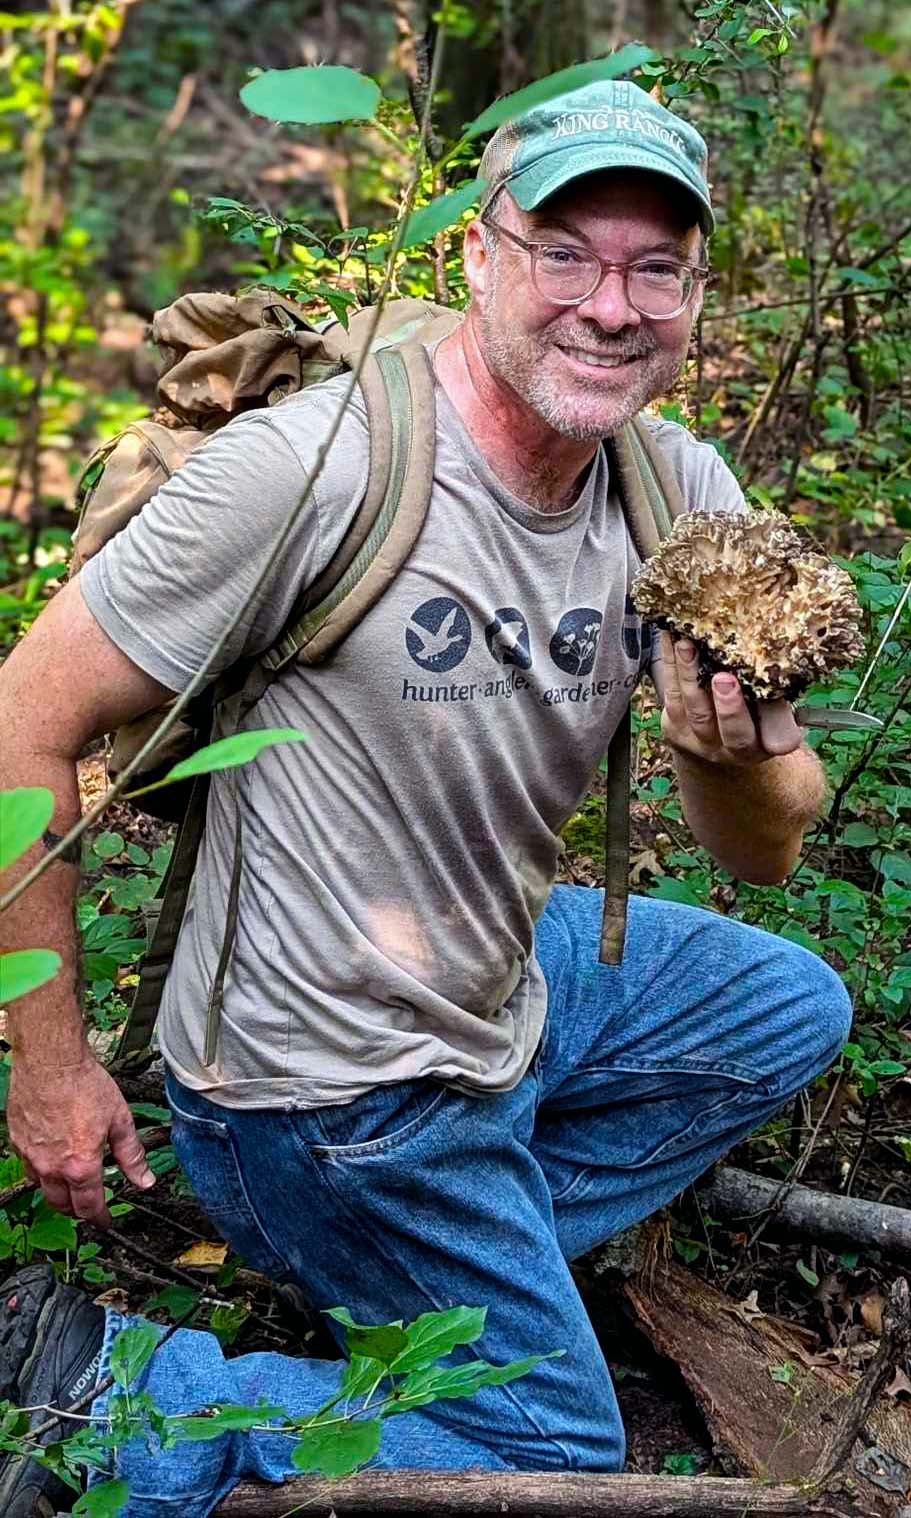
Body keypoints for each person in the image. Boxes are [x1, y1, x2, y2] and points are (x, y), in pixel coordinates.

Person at [0, 79, 852, 1517]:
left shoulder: (671, 486)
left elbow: (763, 845)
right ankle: (115, 1383)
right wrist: (51, 1060)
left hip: (492, 989)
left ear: (695, 290)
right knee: (549, 1454)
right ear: (478, 255)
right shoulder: (315, 471)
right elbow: (23, 716)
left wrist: (732, 750)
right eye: (565, 251)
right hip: (313, 1086)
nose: (609, 303)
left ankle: (437, 1291)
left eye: (656, 266)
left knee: (783, 1005)